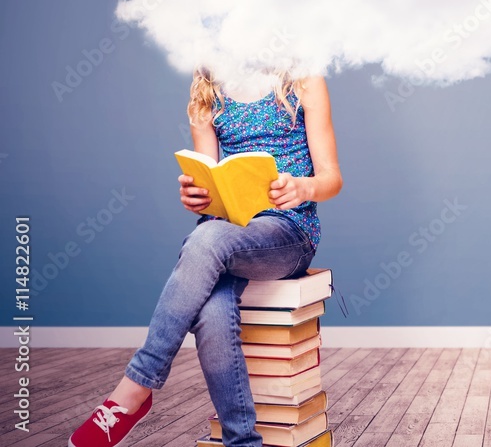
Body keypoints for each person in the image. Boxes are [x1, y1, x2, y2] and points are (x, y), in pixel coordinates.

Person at [68, 69, 343, 447]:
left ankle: (135, 389)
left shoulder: (303, 77)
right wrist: (195, 194)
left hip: (288, 232)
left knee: (205, 236)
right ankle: (242, 441)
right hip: (227, 230)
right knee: (212, 305)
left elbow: (332, 178)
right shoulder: (207, 87)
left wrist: (303, 186)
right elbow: (207, 176)